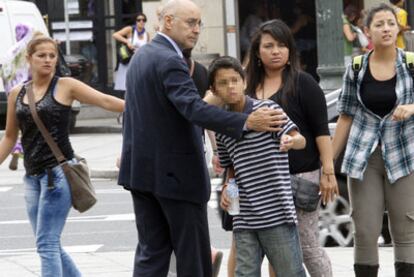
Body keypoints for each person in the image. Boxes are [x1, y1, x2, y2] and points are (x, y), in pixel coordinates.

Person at [117, 0, 286, 276]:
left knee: (152, 254)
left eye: (199, 23)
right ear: (168, 21)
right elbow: (193, 109)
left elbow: (138, 113)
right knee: (192, 258)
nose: (196, 30)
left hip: (140, 174)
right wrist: (246, 121)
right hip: (176, 177)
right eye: (191, 23)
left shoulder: (142, 55)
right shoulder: (170, 60)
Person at [0, 35, 124, 277]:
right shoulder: (17, 92)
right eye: (41, 56)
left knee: (46, 244)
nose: (47, 60)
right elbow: (9, 137)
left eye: (52, 56)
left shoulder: (66, 85)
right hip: (32, 177)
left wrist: (143, 105)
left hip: (58, 174)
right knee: (49, 244)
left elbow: (105, 100)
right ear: (29, 59)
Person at [244, 19, 337, 276]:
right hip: (262, 179)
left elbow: (321, 131)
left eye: (282, 45)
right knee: (277, 249)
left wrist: (327, 172)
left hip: (302, 176)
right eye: (269, 45)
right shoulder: (247, 88)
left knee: (307, 246)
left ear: (290, 51)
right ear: (257, 52)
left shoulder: (303, 83)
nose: (276, 51)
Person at [332, 3, 414, 276]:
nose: (386, 29)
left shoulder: (411, 64)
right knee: (365, 229)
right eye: (379, 24)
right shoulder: (356, 68)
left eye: (390, 23)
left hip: (404, 156)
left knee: (406, 230)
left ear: (398, 27)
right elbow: (345, 117)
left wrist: (412, 107)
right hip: (363, 158)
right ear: (367, 31)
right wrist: (327, 163)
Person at [212, 55, 306, 277]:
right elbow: (231, 169)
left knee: (290, 273)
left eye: (235, 80)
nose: (231, 87)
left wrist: (291, 141)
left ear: (244, 82)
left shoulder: (267, 109)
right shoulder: (222, 126)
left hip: (278, 214)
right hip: (244, 217)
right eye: (223, 83)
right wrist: (228, 189)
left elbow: (300, 139)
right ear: (214, 90)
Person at [0, 24, 35, 170]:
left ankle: (17, 148)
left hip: (12, 93)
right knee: (29, 124)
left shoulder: (11, 51)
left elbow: (3, 70)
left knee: (15, 126)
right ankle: (19, 148)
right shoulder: (28, 51)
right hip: (28, 92)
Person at [112, 12, 150, 92]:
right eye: (139, 20)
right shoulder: (130, 29)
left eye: (144, 20)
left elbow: (148, 48)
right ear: (135, 21)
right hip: (129, 60)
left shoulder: (147, 34)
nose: (141, 22)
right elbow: (115, 35)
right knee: (127, 85)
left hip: (140, 62)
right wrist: (127, 42)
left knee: (139, 85)